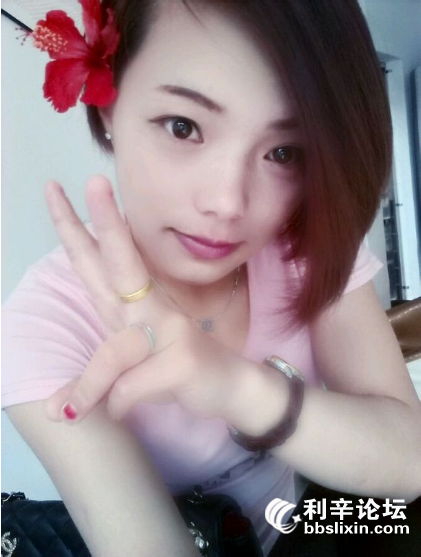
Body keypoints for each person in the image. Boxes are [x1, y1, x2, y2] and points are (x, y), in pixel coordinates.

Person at [2, 1, 420, 556]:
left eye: (283, 152)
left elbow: (410, 461)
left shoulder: (305, 248)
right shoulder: (43, 324)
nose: (227, 203)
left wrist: (236, 388)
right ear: (108, 107)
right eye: (184, 127)